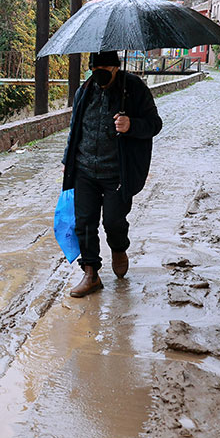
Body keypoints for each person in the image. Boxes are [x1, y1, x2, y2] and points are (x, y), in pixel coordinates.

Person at [61, 51, 163, 298]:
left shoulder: (134, 88)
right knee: (84, 223)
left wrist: (131, 125)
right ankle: (90, 273)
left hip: (117, 171)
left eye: (106, 66)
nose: (101, 72)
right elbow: (76, 128)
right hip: (85, 168)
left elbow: (155, 123)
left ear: (117, 67)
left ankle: (118, 248)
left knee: (113, 221)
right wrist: (68, 160)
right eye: (96, 68)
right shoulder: (84, 90)